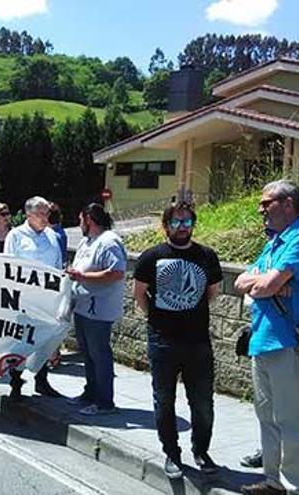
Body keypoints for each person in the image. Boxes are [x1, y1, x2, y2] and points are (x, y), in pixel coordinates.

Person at [234, 180, 299, 495]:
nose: (261, 209)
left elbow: (261, 288)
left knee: (292, 418)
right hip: (264, 337)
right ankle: (274, 481)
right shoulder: (275, 242)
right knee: (268, 416)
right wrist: (268, 283)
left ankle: (298, 487)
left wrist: (265, 284)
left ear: (288, 203)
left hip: (289, 340)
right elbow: (243, 281)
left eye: (266, 202)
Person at [133, 202, 222, 478]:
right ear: (166, 226)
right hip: (163, 341)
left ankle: (201, 450)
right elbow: (140, 295)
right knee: (165, 399)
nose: (182, 228)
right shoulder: (151, 257)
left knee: (203, 402)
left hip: (197, 341)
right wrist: (158, 319)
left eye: (186, 223)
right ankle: (172, 453)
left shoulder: (207, 256)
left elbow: (212, 292)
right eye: (176, 223)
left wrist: (187, 310)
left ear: (193, 225)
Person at [65, 203, 127, 418]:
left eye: (81, 219)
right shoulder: (87, 241)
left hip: (98, 310)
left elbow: (116, 272)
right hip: (83, 308)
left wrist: (81, 277)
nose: (79, 223)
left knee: (99, 355)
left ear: (89, 219)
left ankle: (105, 402)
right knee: (88, 355)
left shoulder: (109, 242)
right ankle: (90, 393)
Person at [3, 196, 62, 399]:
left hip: (45, 300)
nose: (46, 218)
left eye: (47, 213)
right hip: (23, 299)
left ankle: (42, 380)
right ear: (29, 214)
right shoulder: (16, 236)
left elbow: (57, 266)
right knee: (20, 341)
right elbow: (8, 267)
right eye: (42, 214)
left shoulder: (52, 236)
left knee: (44, 339)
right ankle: (16, 383)